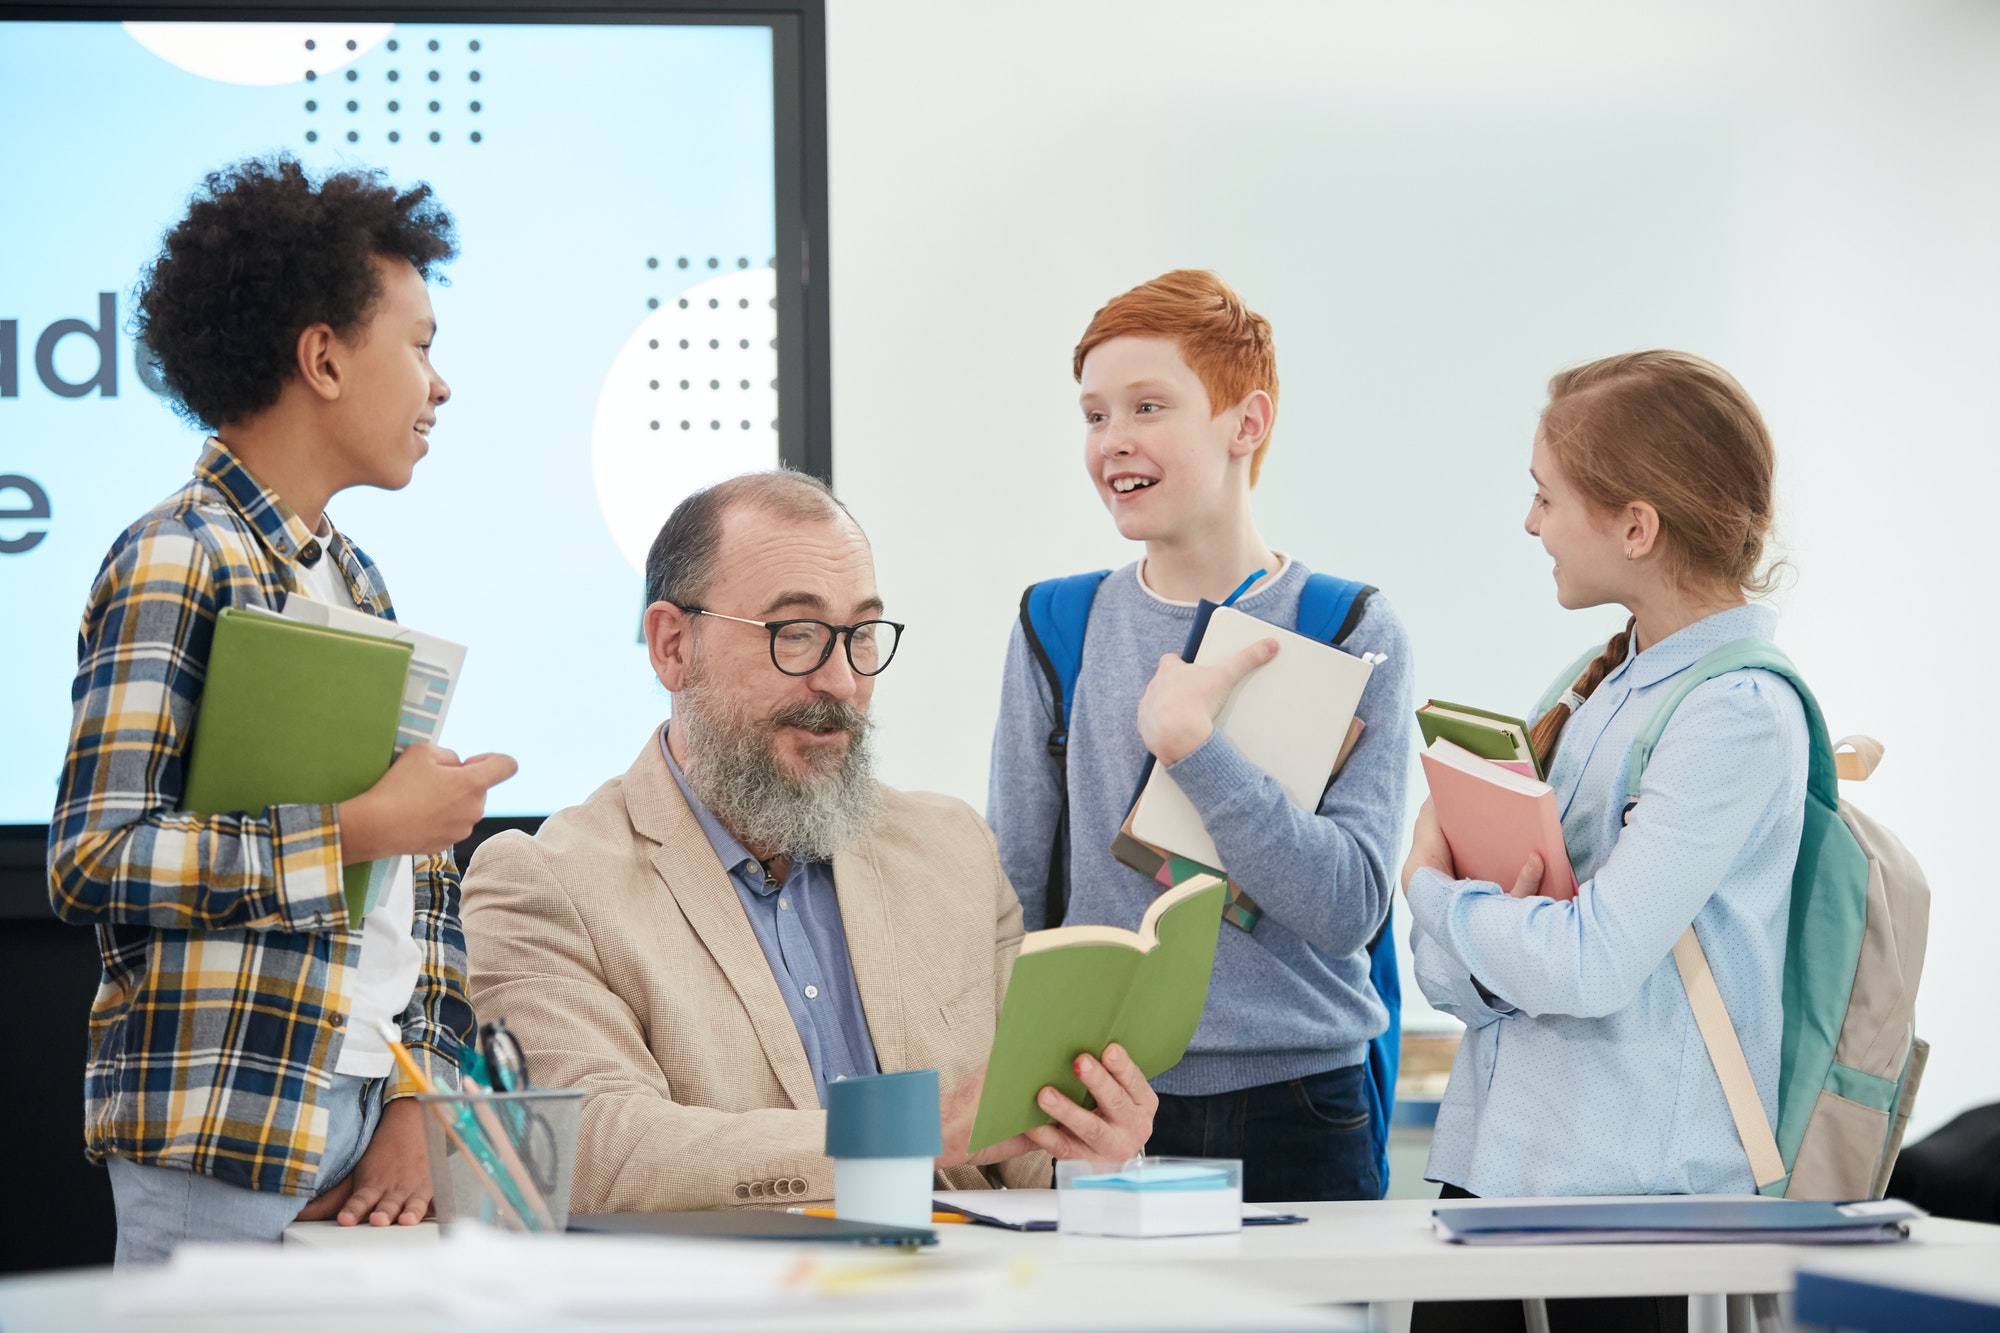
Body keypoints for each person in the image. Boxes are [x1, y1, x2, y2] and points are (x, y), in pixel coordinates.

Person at [46, 157, 517, 1262]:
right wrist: (353, 830)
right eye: (421, 345)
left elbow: (419, 892)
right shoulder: (178, 553)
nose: (440, 386)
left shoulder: (358, 582)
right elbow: (95, 857)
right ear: (323, 358)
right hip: (227, 1134)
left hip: (367, 1121)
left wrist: (422, 1094)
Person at [460, 471, 1156, 1213]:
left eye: (861, 634)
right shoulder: (544, 885)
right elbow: (593, 1152)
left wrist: (1095, 1146)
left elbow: (1029, 1151)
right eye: (796, 634)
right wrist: (912, 1132)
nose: (842, 681)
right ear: (672, 646)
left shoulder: (953, 849)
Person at [1401, 351, 1809, 1333]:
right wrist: (1489, 936)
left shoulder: (1736, 714)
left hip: (1631, 1204)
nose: (1529, 522)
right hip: (1492, 1174)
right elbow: (1458, 978)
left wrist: (1432, 889)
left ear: (1635, 526)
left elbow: (1586, 966)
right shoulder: (1589, 688)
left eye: (1547, 496)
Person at [986, 270, 1415, 1203]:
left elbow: (1351, 907)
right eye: (1095, 415)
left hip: (1305, 1102)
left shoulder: (1349, 627)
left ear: (1246, 424)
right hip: (1101, 1099)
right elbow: (1013, 893)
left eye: (1148, 406)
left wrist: (1197, 751)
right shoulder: (1056, 625)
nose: (1113, 439)